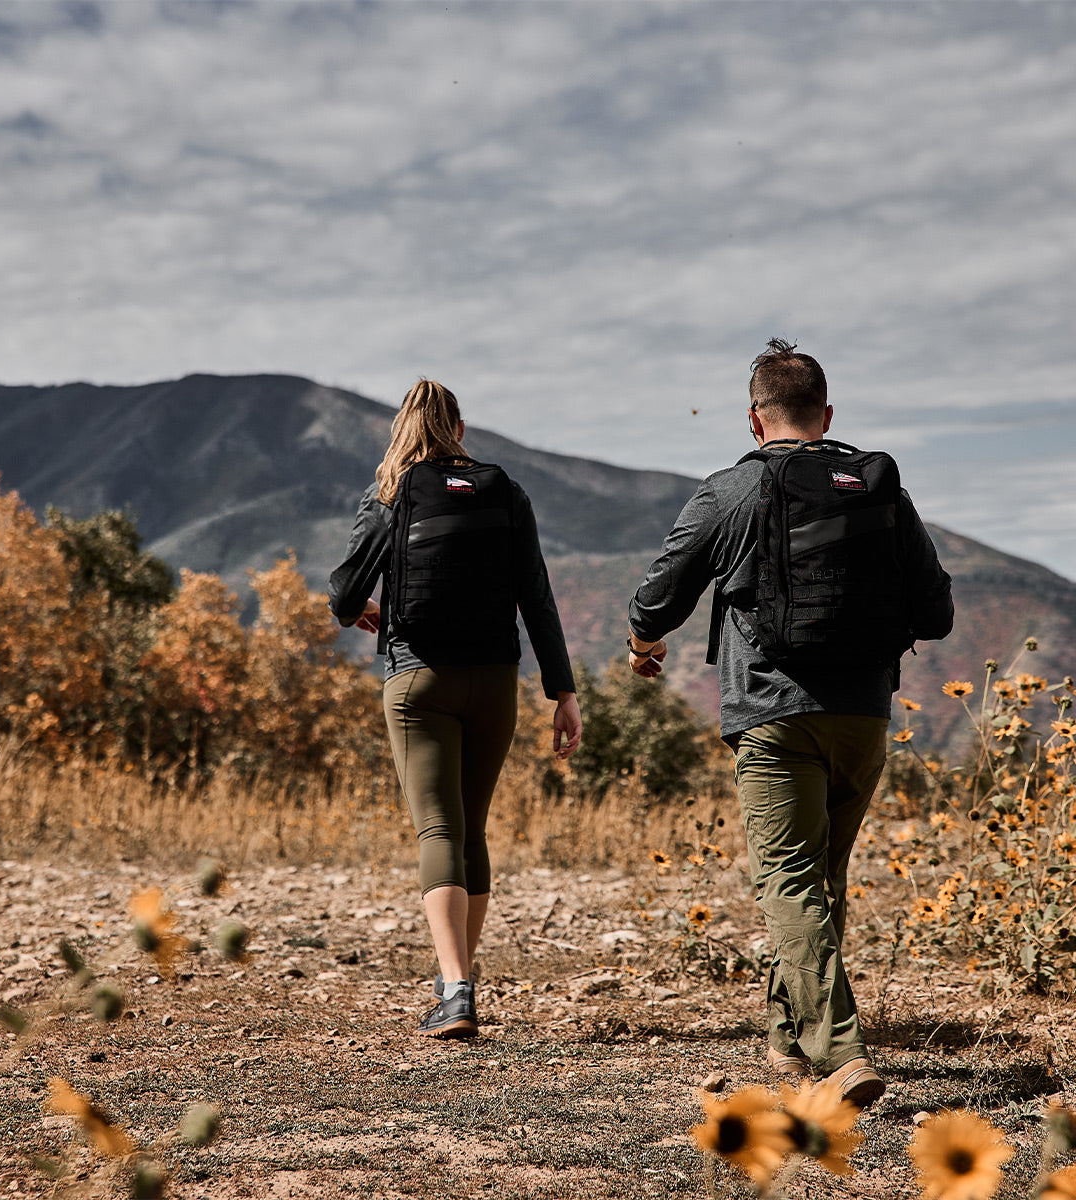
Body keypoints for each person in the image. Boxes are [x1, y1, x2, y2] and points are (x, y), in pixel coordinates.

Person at [626, 339, 953, 1107]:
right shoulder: (879, 490)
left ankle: (840, 1054)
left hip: (774, 715)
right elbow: (935, 612)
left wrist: (645, 646)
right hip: (865, 715)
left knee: (789, 880)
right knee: (818, 882)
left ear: (753, 420)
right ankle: (790, 1045)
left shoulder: (729, 492)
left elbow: (656, 596)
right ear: (827, 415)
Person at [328, 379, 582, 1039]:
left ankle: (455, 990)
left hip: (418, 680)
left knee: (437, 831)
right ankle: (459, 981)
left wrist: (368, 612)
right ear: (460, 431)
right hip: (496, 680)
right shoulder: (505, 492)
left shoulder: (390, 493)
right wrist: (563, 690)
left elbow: (343, 592)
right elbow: (537, 595)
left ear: (401, 432)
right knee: (472, 830)